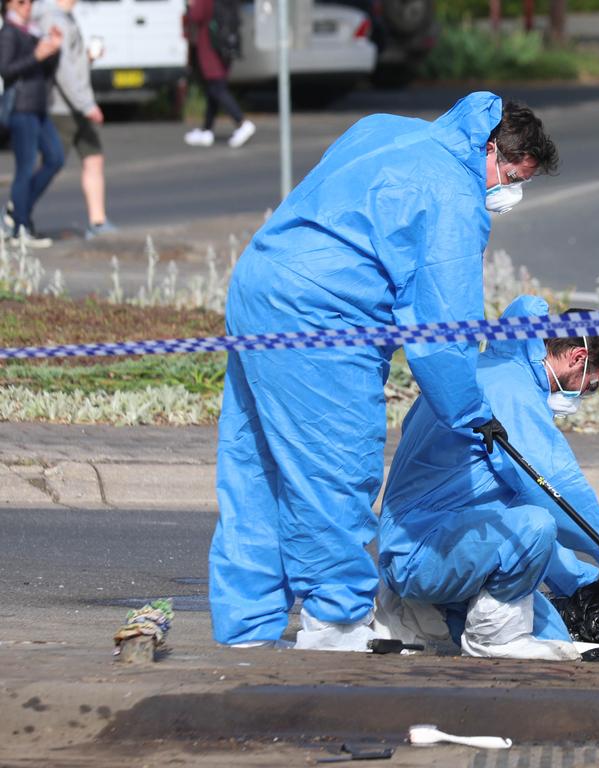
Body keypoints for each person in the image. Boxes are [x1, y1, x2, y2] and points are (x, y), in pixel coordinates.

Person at [208, 92, 559, 650]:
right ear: (492, 149)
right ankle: (336, 620)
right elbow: (442, 329)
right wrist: (470, 411)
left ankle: (246, 626)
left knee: (259, 462)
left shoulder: (386, 128)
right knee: (334, 463)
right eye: (514, 175)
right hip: (327, 314)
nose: (509, 191)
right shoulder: (454, 193)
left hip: (260, 282)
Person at [377, 294, 599, 660]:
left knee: (561, 643)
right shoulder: (512, 391)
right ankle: (489, 642)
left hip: (442, 540)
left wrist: (581, 583)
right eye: (591, 386)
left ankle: (429, 618)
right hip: (423, 555)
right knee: (537, 523)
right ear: (578, 358)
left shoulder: (490, 368)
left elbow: (514, 512)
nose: (584, 396)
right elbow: (555, 496)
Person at [32, 0, 116, 239]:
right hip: (63, 107)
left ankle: (98, 222)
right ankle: (15, 211)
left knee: (94, 159)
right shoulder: (53, 18)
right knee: (50, 164)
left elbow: (72, 64)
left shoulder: (66, 17)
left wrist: (88, 57)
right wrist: (87, 105)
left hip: (77, 105)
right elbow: (62, 71)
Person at [0, 0, 63, 248]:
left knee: (55, 157)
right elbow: (5, 70)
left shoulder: (33, 31)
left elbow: (45, 71)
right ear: (9, 6)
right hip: (20, 108)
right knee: (25, 167)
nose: (27, 6)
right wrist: (36, 56)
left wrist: (53, 49)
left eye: (30, 1)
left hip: (38, 106)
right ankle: (21, 227)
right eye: (21, 2)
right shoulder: (9, 33)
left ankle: (17, 210)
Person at [182, 0, 253, 148]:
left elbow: (196, 16)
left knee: (217, 88)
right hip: (225, 47)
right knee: (212, 90)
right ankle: (207, 130)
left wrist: (190, 5)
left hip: (210, 48)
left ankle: (241, 122)